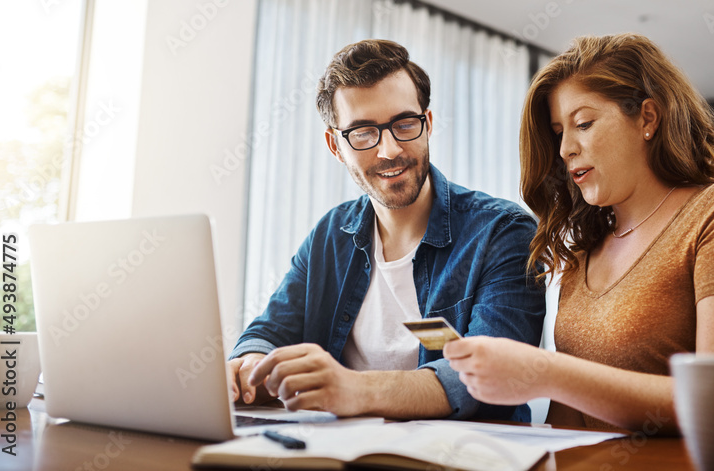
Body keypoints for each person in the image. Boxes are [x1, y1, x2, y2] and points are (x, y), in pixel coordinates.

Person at [444, 32, 714, 432]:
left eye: (583, 123)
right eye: (558, 133)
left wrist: (546, 372)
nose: (565, 148)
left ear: (648, 118)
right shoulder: (587, 247)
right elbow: (570, 418)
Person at [229, 39, 545, 422]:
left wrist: (351, 389)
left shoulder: (502, 232)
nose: (389, 150)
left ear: (427, 125)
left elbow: (491, 376)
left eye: (404, 124)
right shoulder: (331, 235)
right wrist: (249, 366)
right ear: (335, 146)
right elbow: (269, 332)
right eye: (363, 132)